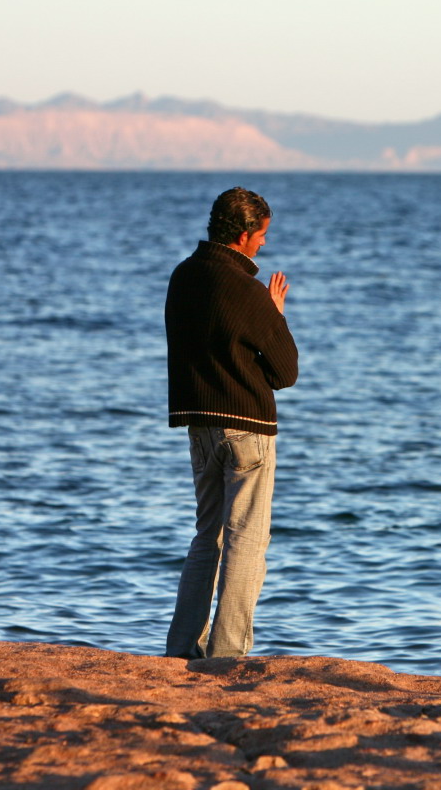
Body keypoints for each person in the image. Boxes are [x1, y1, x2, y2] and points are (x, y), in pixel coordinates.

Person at [164, 187, 298, 659]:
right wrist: (275, 315)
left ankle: (182, 649)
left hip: (199, 425)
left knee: (208, 536)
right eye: (261, 236)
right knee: (247, 541)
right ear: (243, 235)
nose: (263, 244)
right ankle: (226, 657)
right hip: (248, 429)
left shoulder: (183, 276)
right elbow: (286, 373)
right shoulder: (246, 290)